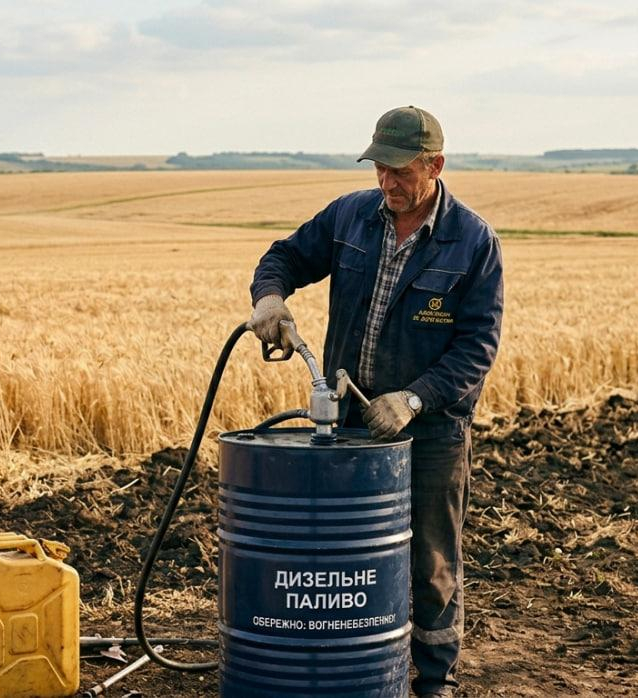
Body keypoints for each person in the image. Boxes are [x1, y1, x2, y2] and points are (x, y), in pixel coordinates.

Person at [248, 106, 503, 698]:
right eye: (378, 169)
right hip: (350, 423)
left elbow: (477, 347)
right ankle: (350, 665)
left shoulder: (472, 242)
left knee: (431, 559)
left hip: (433, 433)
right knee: (345, 551)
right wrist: (269, 299)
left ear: (435, 166)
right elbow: (283, 256)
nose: (386, 182)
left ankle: (433, 680)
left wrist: (414, 399)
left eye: (398, 170)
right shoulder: (349, 218)